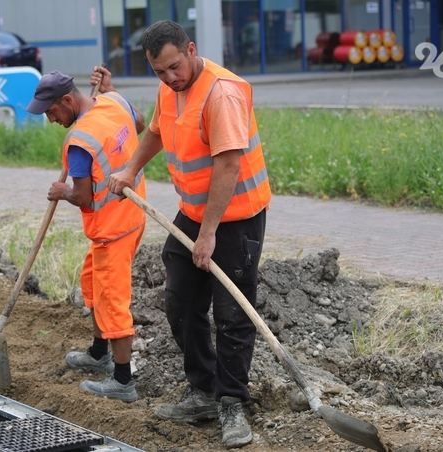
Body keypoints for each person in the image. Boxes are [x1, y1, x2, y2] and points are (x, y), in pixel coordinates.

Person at [104, 20, 270, 448]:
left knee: (233, 312)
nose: (170, 77)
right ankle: (203, 389)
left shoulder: (222, 93)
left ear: (191, 49)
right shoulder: (170, 89)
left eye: (176, 67)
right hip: (193, 211)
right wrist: (129, 168)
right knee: (180, 299)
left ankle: (232, 401)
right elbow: (157, 131)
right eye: (160, 72)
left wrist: (209, 233)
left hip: (235, 217)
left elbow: (228, 166)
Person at [26, 70, 147, 402]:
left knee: (111, 300)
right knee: (92, 282)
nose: (52, 120)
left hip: (112, 229)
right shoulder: (113, 101)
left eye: (52, 112)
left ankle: (123, 381)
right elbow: (139, 125)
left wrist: (61, 191)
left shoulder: (79, 142)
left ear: (67, 100)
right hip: (132, 218)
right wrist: (112, 90)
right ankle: (99, 353)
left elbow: (84, 197)